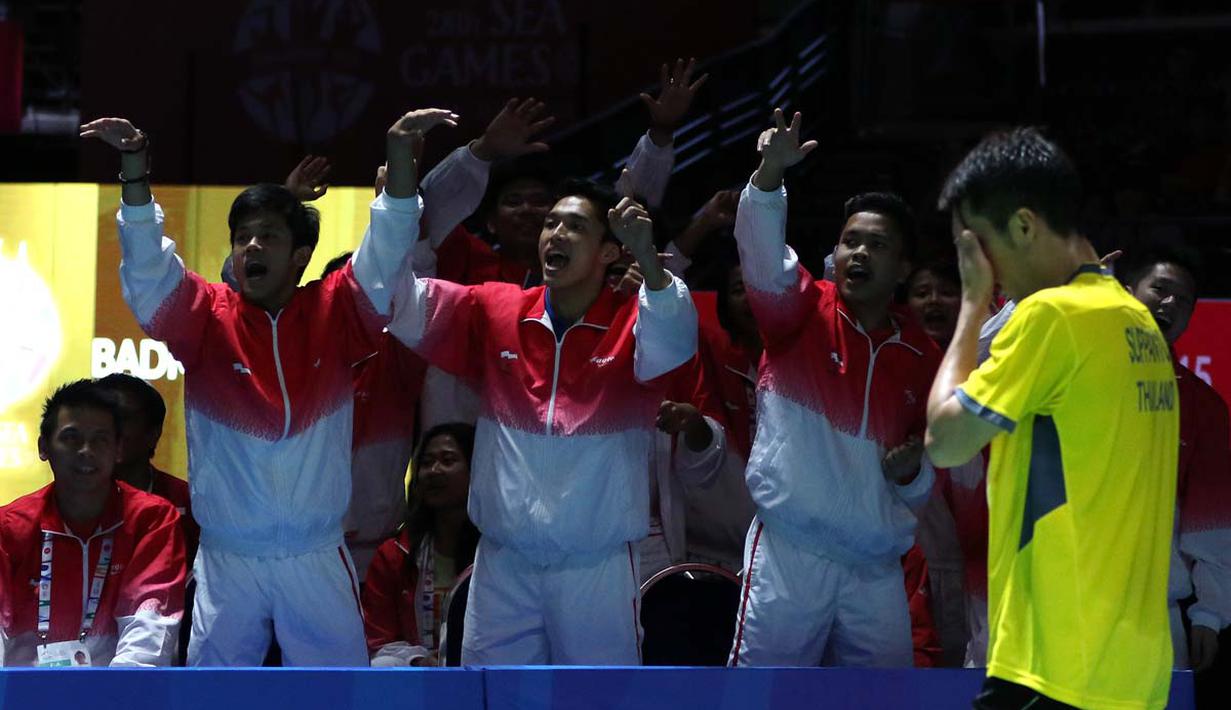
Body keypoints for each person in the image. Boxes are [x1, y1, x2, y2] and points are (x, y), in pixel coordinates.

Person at [79, 106, 454, 666]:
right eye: (243, 238)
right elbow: (147, 269)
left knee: (337, 700)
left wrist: (401, 162)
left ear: (300, 256)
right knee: (215, 704)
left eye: (268, 237)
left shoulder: (338, 311)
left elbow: (387, 251)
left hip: (316, 557)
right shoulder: (204, 317)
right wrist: (135, 173)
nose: (251, 247)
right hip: (231, 561)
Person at [387, 177, 698, 665]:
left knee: (601, 704)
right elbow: (400, 301)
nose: (555, 233)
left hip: (595, 568)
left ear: (610, 253)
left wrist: (651, 261)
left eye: (575, 227)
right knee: (491, 699)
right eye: (551, 223)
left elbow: (677, 339)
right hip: (503, 566)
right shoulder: (496, 309)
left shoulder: (634, 325)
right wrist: (395, 206)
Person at [926, 127, 1179, 709]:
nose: (985, 269)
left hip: (1052, 669)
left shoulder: (1053, 316)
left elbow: (944, 439)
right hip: (1134, 677)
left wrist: (970, 305)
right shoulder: (1138, 323)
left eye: (981, 246)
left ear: (1023, 226)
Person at [726, 110, 940, 668]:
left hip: (874, 571)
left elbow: (922, 475)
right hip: (789, 556)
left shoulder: (922, 357)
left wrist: (912, 473)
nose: (859, 254)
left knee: (885, 706)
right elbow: (763, 256)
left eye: (877, 245)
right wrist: (769, 177)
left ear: (903, 268)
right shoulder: (797, 310)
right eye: (850, 242)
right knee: (761, 702)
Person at [0, 380, 186, 666]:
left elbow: (149, 627)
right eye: (71, 437)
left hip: (119, 697)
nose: (86, 450)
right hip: (21, 695)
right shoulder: (9, 527)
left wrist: (110, 699)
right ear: (43, 446)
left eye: (100, 439)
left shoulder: (151, 520)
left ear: (118, 450)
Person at [1123, 246, 1231, 674]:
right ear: (1127, 292)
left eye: (1183, 300)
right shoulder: (1076, 378)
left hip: (1156, 614)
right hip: (1069, 604)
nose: (1169, 303)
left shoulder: (1202, 406)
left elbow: (1212, 520)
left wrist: (1209, 612)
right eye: (1160, 289)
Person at [362, 423, 481, 667]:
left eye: (448, 460)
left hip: (474, 665)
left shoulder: (495, 554)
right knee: (383, 665)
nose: (434, 470)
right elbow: (377, 639)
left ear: (475, 471)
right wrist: (419, 660)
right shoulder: (394, 554)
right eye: (426, 463)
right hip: (416, 673)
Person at [94, 373, 200, 564]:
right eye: (100, 418)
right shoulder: (69, 500)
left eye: (122, 418)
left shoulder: (190, 504)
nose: (109, 429)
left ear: (154, 433)